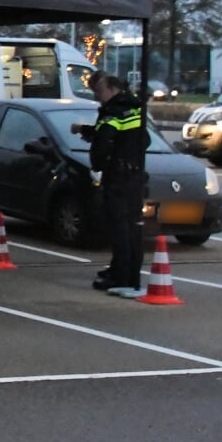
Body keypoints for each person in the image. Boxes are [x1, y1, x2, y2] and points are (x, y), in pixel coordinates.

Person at [88, 74, 150, 297]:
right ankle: (128, 272)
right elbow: (145, 140)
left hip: (118, 177)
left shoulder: (113, 111)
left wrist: (99, 163)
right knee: (133, 226)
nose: (98, 98)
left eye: (100, 92)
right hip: (135, 175)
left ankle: (120, 276)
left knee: (119, 228)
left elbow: (104, 140)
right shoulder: (135, 108)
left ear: (112, 89)